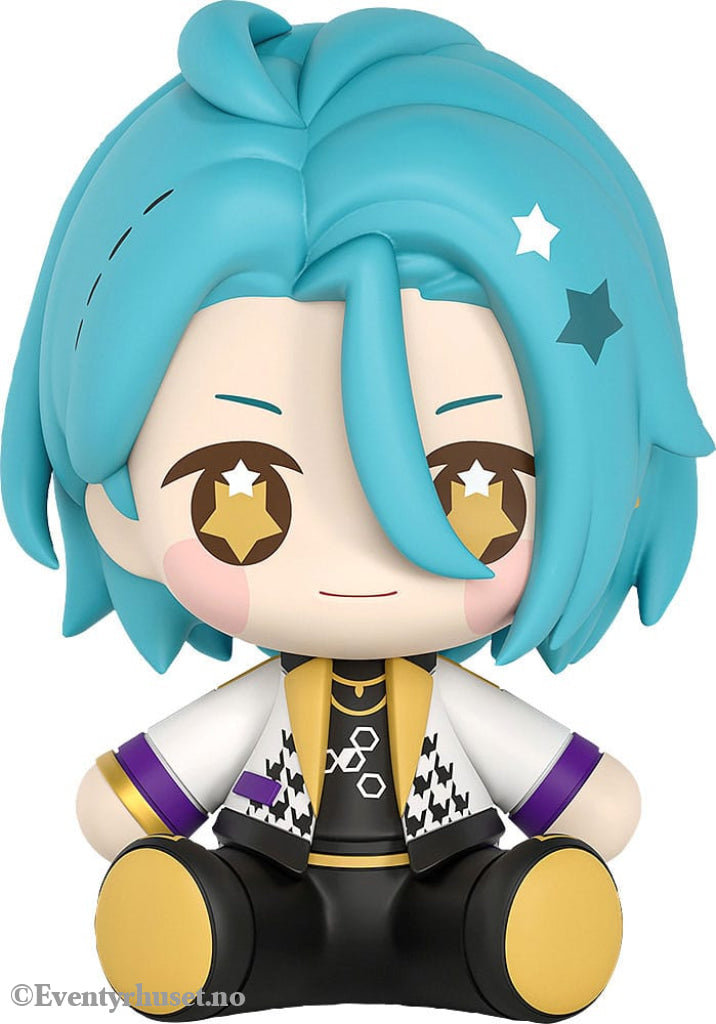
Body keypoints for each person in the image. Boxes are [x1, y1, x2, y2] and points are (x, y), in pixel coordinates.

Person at [2, 3, 711, 1020]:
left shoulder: (453, 707)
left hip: (445, 884)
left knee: (490, 916)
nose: (359, 557)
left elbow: (600, 804)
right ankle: (207, 938)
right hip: (270, 884)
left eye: (470, 485)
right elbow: (115, 806)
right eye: (239, 486)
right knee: (228, 923)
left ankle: (508, 938)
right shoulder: (259, 706)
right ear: (117, 502)